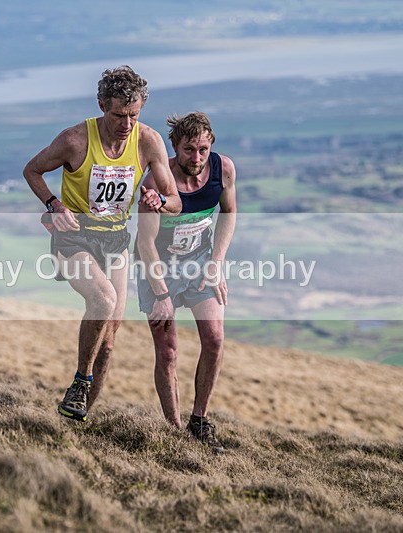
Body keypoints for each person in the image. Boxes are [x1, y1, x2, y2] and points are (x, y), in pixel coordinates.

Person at [23, 65, 181, 422]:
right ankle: (80, 380)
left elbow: (175, 199)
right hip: (74, 237)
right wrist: (53, 204)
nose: (126, 124)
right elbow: (32, 169)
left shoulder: (148, 141)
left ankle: (75, 419)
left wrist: (160, 202)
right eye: (119, 115)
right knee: (103, 298)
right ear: (101, 105)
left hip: (115, 241)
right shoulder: (75, 139)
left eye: (134, 115)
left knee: (109, 340)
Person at [135, 112, 237, 453]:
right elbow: (144, 243)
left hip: (199, 266)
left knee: (215, 339)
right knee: (168, 352)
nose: (197, 158)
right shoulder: (156, 184)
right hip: (158, 270)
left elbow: (229, 213)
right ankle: (174, 431)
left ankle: (199, 420)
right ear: (174, 148)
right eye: (189, 150)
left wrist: (216, 263)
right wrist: (161, 294)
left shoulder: (223, 170)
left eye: (203, 150)